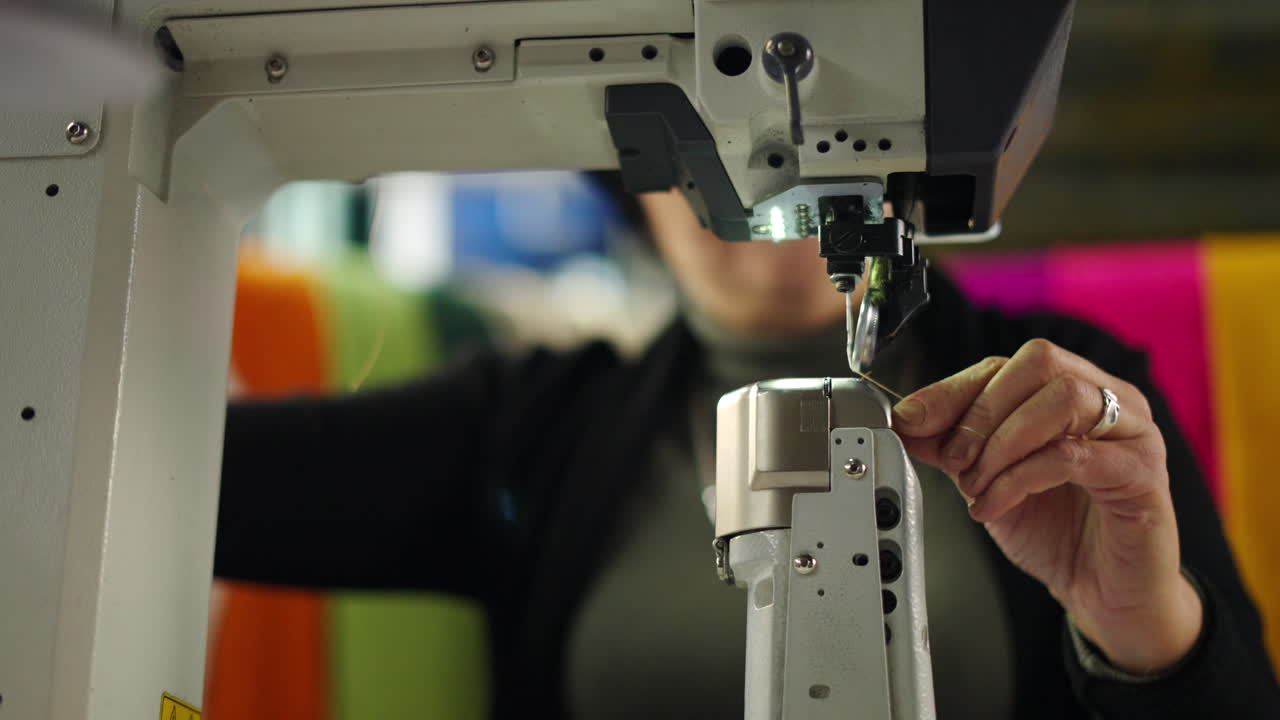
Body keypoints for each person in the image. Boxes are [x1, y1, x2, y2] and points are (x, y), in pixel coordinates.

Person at [217, 185, 1280, 718]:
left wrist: (1142, 633)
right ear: (628, 171)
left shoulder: (1070, 403)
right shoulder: (524, 433)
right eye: (724, 146)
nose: (785, 189)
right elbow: (197, 485)